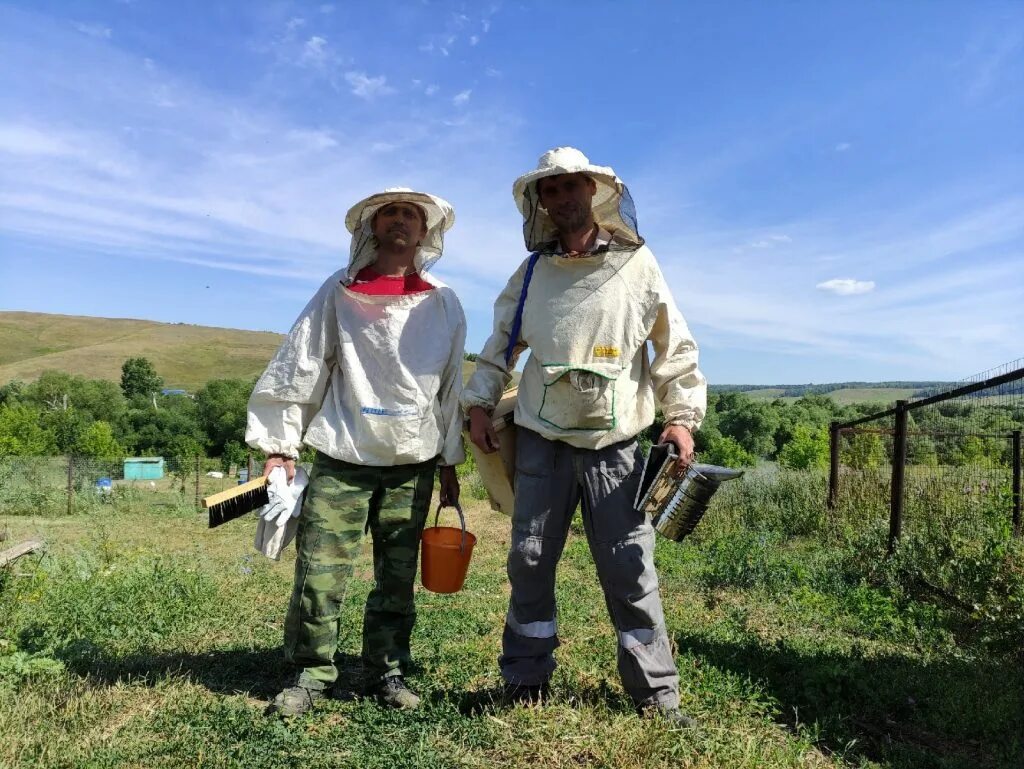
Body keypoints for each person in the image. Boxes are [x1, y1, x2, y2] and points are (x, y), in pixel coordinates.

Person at [462, 147, 706, 725]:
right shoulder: (531, 275)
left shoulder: (639, 266)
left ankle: (656, 696)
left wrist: (681, 416)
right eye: (551, 190)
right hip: (541, 436)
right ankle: (524, 680)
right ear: (539, 202)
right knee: (528, 558)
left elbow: (673, 348)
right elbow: (499, 345)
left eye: (573, 186)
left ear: (594, 192)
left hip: (615, 444)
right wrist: (477, 403)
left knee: (629, 565)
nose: (563, 198)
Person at [247, 187, 466, 718]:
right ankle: (310, 673)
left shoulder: (442, 300)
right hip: (342, 459)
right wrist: (280, 444)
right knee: (320, 573)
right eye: (389, 212)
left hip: (411, 462)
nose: (400, 221)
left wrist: (449, 463)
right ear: (371, 225)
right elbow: (302, 362)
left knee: (396, 578)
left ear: (425, 231)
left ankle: (387, 671)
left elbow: (451, 386)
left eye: (410, 214)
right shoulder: (340, 291)